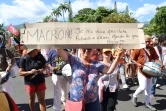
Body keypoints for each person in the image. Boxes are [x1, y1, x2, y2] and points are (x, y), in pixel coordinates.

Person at [56, 47, 124, 111]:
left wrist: (118, 56)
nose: (86, 51)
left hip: (92, 102)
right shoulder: (74, 60)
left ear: (92, 51)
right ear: (80, 49)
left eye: (88, 49)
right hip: (76, 101)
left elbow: (109, 71)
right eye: (84, 49)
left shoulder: (97, 64)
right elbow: (60, 50)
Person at [131, 35, 164, 111]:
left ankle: (147, 103)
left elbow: (156, 58)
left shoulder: (152, 49)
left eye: (149, 41)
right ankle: (135, 95)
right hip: (141, 70)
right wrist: (137, 64)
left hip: (150, 70)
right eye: (147, 41)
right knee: (142, 87)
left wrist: (161, 64)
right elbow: (132, 59)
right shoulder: (138, 48)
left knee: (149, 88)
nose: (149, 43)